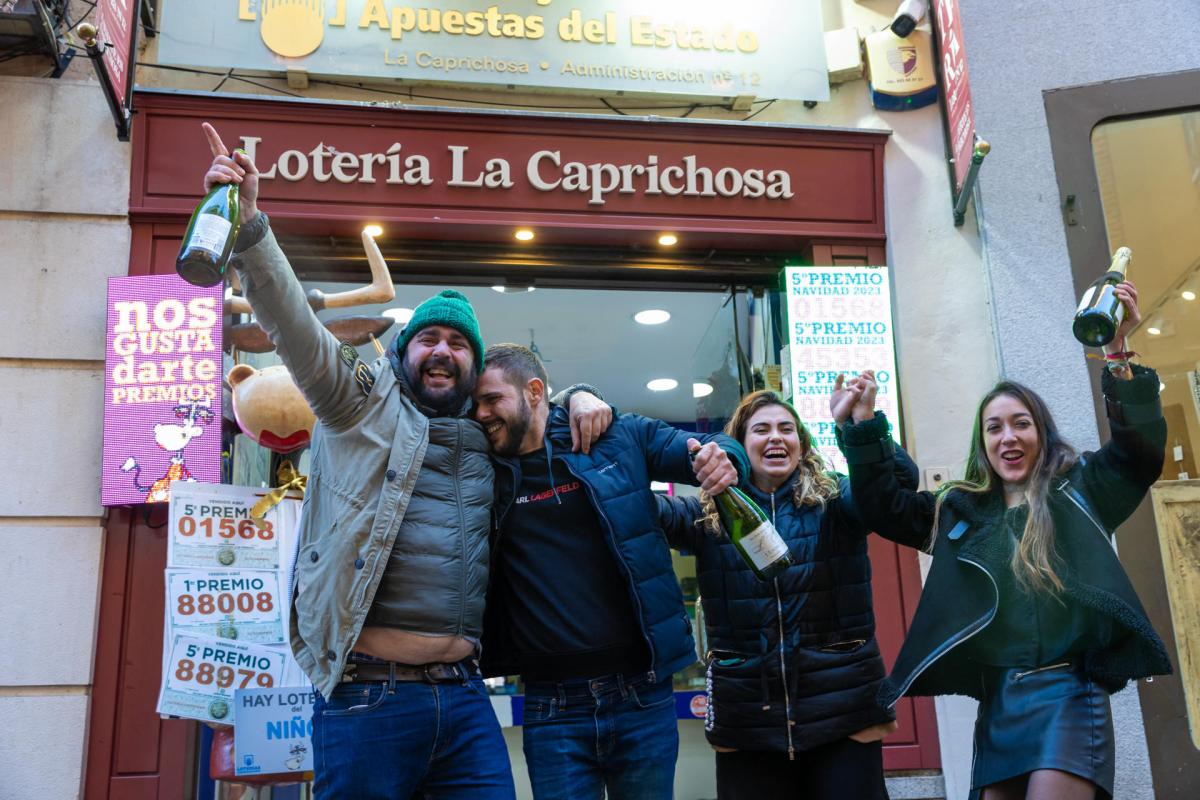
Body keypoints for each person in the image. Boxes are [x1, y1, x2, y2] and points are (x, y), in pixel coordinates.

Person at [201, 125, 609, 799]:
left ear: (475, 365)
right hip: (368, 701)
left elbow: (537, 413)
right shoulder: (354, 403)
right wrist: (249, 230)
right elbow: (293, 325)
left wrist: (581, 395)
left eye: (457, 341)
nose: (442, 350)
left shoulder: (487, 442)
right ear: (401, 353)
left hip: (468, 702)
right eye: (427, 339)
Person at [838, 281, 1171, 800]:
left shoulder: (1083, 489)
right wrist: (861, 428)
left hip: (1069, 694)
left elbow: (1140, 453)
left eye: (1020, 424)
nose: (1007, 437)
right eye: (994, 428)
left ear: (1042, 432)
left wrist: (1118, 355)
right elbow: (887, 509)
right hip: (1001, 702)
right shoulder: (962, 509)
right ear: (983, 442)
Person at [471, 343, 748, 800]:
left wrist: (724, 459)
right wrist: (579, 392)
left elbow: (720, 446)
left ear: (534, 391)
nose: (480, 413)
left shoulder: (619, 436)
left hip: (642, 694)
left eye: (492, 399)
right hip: (551, 704)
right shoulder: (481, 470)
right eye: (475, 403)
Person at [654, 384, 919, 800]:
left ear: (801, 442)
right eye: (761, 430)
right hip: (748, 724)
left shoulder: (836, 499)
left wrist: (860, 426)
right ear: (739, 446)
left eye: (786, 428)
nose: (776, 437)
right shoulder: (707, 515)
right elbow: (640, 512)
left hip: (843, 716)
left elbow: (898, 486)